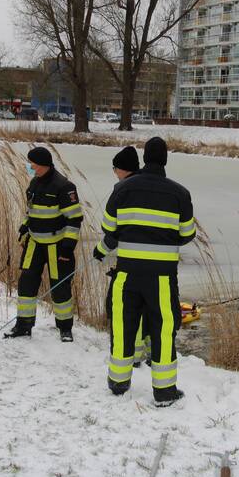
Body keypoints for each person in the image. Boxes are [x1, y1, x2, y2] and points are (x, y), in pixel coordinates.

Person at [97, 137, 195, 407]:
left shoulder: (123, 189)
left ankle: (118, 382)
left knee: (123, 325)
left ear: (144, 157)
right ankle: (164, 392)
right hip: (161, 277)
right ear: (165, 159)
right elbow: (187, 234)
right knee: (163, 330)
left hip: (126, 273)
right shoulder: (179, 193)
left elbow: (109, 228)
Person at [5, 146, 83, 342]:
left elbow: (74, 219)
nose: (30, 166)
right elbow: (31, 212)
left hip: (57, 246)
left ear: (43, 165)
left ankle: (65, 328)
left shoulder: (64, 186)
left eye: (33, 163)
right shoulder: (34, 183)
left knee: (60, 288)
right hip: (35, 243)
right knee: (26, 284)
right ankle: (23, 325)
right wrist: (24, 227)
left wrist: (67, 247)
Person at [96, 146, 151, 367]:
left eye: (115, 169)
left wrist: (100, 250)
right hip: (159, 263)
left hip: (131, 261)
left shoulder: (124, 190)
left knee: (127, 308)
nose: (114, 173)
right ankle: (150, 352)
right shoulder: (152, 186)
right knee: (150, 308)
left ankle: (134, 356)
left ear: (122, 169)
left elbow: (113, 229)